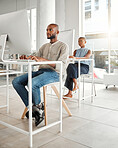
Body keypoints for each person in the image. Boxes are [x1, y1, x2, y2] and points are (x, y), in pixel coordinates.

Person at [12, 23, 68, 126]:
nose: (47, 32)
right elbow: (35, 57)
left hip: (55, 73)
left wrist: (44, 60)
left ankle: (38, 111)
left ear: (57, 32)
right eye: (47, 30)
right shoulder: (44, 46)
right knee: (16, 82)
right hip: (40, 71)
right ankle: (35, 108)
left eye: (50, 30)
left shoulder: (63, 46)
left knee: (32, 83)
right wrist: (27, 57)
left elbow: (62, 66)